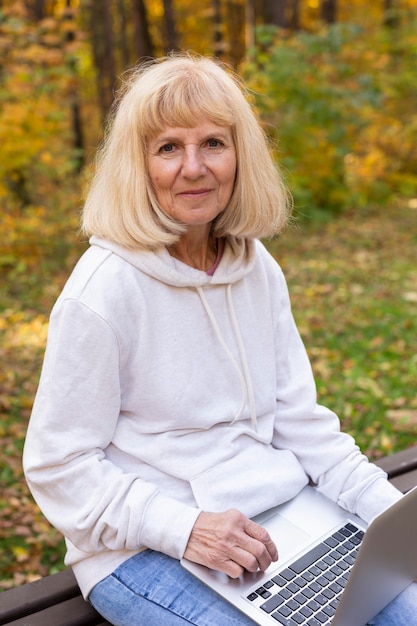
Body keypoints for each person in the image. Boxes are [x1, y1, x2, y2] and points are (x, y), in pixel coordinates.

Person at [23, 53, 416, 626]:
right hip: (143, 548)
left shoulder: (257, 270)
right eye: (167, 148)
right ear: (139, 165)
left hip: (280, 521)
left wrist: (394, 516)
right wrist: (184, 529)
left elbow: (299, 421)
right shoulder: (103, 291)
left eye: (212, 143)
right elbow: (59, 466)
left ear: (240, 155)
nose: (193, 168)